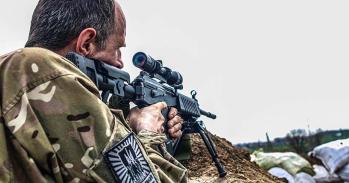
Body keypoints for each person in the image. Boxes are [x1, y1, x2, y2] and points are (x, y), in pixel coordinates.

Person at [0, 0, 188, 182]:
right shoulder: (44, 71)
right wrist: (149, 132)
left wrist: (122, 127)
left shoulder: (14, 73)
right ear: (87, 43)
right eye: (117, 49)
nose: (120, 62)